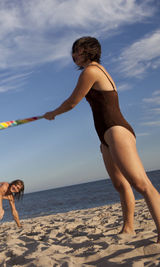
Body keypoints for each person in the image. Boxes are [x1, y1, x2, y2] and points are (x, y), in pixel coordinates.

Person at [43, 36, 160, 243]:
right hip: (106, 135)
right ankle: (128, 228)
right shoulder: (94, 71)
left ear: (89, 51)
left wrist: (53, 113)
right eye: (74, 51)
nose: (74, 55)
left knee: (142, 185)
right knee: (120, 185)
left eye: (78, 51)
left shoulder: (92, 71)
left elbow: (72, 102)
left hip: (117, 131)